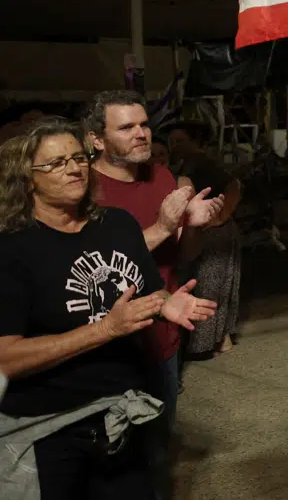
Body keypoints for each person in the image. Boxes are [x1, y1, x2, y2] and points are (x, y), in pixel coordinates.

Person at [0, 119, 216, 500]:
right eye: (54, 163)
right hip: (49, 428)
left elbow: (143, 292)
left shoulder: (116, 224)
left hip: (121, 417)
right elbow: (5, 358)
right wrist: (106, 329)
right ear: (26, 178)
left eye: (78, 157)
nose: (73, 168)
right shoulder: (12, 248)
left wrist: (167, 303)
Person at [86, 90, 223, 498]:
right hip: (107, 344)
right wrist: (163, 226)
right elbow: (98, 264)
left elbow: (182, 255)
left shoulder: (161, 177)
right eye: (126, 127)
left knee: (158, 453)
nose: (141, 134)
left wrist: (195, 225)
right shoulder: (84, 187)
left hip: (162, 338)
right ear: (96, 139)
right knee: (108, 461)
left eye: (144, 124)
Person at [167, 123, 244, 359]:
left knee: (209, 285)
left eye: (180, 141)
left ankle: (210, 342)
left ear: (194, 142)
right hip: (206, 230)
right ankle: (221, 340)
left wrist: (219, 217)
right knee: (214, 284)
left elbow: (235, 186)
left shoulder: (201, 162)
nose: (175, 146)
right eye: (173, 142)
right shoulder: (183, 163)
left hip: (214, 232)